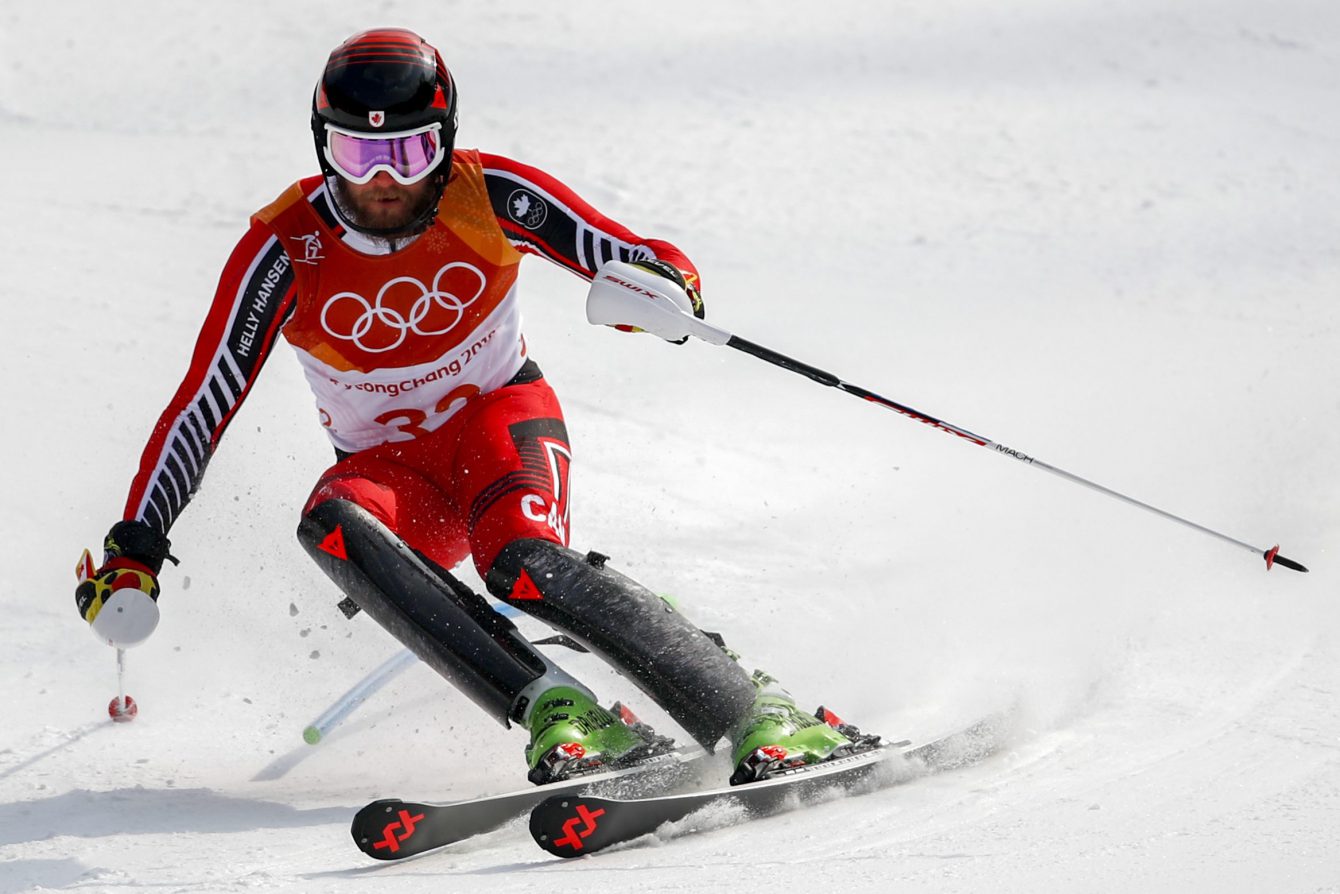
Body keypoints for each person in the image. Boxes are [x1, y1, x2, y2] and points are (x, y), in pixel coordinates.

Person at [75, 28, 877, 785]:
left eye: (410, 151)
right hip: (394, 478)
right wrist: (135, 546)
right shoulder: (285, 248)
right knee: (331, 523)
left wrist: (664, 290)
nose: (383, 180)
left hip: (500, 423)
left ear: (445, 141)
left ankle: (756, 709)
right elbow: (203, 402)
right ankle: (560, 708)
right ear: (323, 146)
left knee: (519, 563)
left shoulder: (489, 194)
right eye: (356, 152)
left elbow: (631, 252)